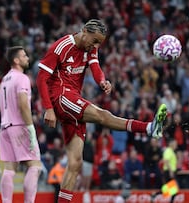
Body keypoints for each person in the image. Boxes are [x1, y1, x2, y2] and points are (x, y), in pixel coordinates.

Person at [36, 19, 167, 203]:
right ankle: (148, 128)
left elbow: (95, 66)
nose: (95, 45)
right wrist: (48, 108)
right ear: (84, 31)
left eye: (99, 43)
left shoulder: (91, 47)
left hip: (73, 99)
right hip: (61, 96)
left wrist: (102, 81)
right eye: (95, 40)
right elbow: (41, 79)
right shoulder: (61, 47)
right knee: (102, 115)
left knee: (75, 164)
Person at [0, 46, 42, 203]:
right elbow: (23, 104)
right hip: (19, 126)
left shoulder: (5, 79)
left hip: (4, 126)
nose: (27, 58)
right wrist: (30, 129)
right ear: (16, 60)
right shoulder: (22, 78)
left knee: (9, 168)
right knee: (35, 165)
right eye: (24, 56)